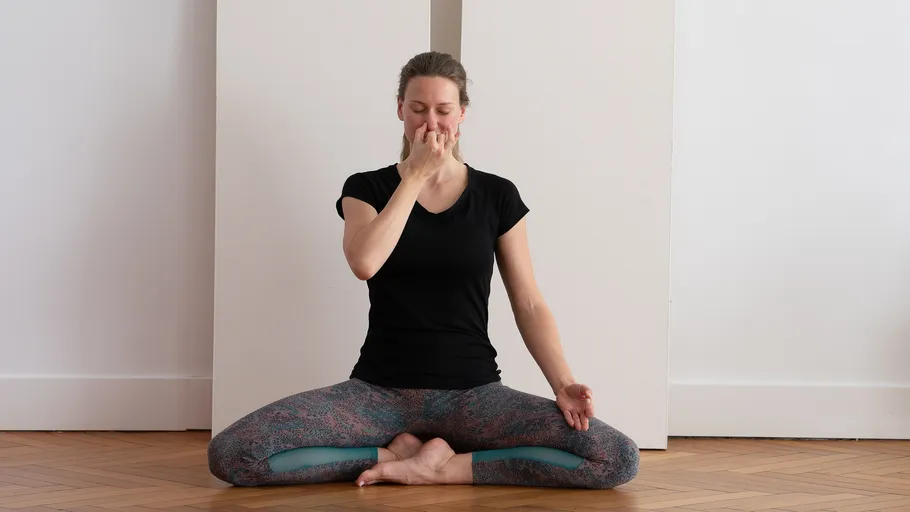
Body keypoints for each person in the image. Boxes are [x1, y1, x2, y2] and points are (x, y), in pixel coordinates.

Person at [207, 51, 640, 490]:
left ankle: (444, 467)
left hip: (474, 395)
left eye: (443, 110)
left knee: (615, 458)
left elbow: (528, 303)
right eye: (418, 109)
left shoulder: (498, 195)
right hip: (377, 393)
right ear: (400, 109)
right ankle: (396, 455)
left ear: (462, 113)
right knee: (234, 453)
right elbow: (364, 262)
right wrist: (413, 176)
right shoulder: (366, 188)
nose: (430, 123)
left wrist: (563, 383)